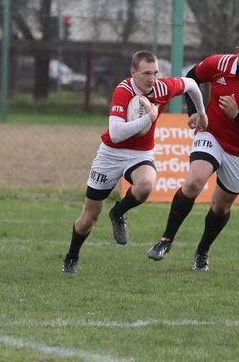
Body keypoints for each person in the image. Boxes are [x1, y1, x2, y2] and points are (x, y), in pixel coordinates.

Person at [61, 50, 208, 276]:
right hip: (110, 154)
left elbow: (191, 84)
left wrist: (201, 113)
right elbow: (116, 133)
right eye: (146, 73)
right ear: (133, 72)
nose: (152, 79)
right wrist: (148, 117)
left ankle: (118, 213)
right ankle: (71, 257)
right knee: (88, 219)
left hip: (141, 154)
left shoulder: (162, 87)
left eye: (155, 73)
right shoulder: (124, 91)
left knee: (146, 185)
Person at [147, 32, 239, 271]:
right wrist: (195, 111)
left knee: (221, 207)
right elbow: (191, 80)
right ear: (236, 51)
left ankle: (202, 252)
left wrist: (238, 116)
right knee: (194, 182)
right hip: (211, 133)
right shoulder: (218, 64)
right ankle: (165, 240)